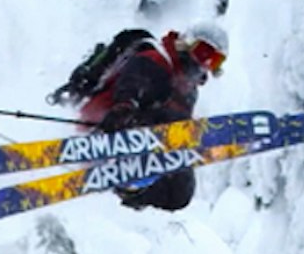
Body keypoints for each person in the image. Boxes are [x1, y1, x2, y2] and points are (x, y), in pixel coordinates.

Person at [46, 23, 228, 211]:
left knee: (181, 191)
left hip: (138, 145)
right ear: (187, 43)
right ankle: (121, 171)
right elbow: (133, 84)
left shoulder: (188, 94)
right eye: (203, 53)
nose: (204, 64)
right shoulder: (155, 60)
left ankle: (129, 191)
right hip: (105, 128)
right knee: (154, 121)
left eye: (215, 61)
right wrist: (124, 107)